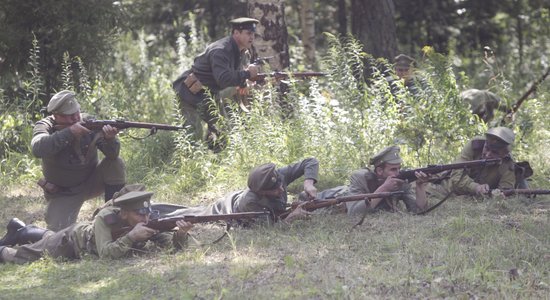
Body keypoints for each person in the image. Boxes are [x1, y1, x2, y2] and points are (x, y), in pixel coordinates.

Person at [0, 187, 193, 264]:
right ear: (124, 213)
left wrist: (181, 235)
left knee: (47, 237)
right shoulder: (105, 218)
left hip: (83, 239)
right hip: (70, 242)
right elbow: (105, 254)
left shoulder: (146, 220)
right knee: (22, 256)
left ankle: (22, 229)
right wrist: (132, 237)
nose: (145, 218)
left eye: (147, 213)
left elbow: (171, 247)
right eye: (139, 213)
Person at [31, 90, 127, 231]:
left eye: (77, 113)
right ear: (56, 115)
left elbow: (112, 155)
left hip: (91, 182)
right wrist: (69, 132)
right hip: (63, 192)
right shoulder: (45, 126)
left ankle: (113, 213)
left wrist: (110, 139)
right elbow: (38, 148)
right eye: (69, 116)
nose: (76, 118)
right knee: (59, 233)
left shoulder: (89, 121)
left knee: (116, 163)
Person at [172, 17, 261, 150]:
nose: (252, 37)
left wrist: (244, 83)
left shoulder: (243, 52)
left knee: (221, 130)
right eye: (248, 33)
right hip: (190, 93)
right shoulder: (221, 50)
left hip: (209, 95)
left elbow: (235, 75)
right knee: (192, 136)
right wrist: (247, 74)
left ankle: (216, 160)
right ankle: (185, 164)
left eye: (253, 34)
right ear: (236, 33)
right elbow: (224, 79)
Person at [154, 158, 320, 223]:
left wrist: (308, 183)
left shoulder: (277, 177)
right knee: (190, 214)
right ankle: (150, 213)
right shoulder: (250, 202)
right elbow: (268, 228)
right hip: (224, 209)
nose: (281, 189)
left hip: (239, 198)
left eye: (281, 185)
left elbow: (310, 161)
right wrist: (291, 217)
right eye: (275, 190)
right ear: (262, 192)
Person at [310, 146, 429, 215]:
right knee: (309, 200)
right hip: (333, 199)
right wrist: (383, 189)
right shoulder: (361, 177)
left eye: (399, 168)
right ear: (379, 171)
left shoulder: (400, 180)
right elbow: (354, 213)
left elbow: (418, 210)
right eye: (393, 169)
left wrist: (420, 186)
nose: (397, 173)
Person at [427, 127, 516, 197]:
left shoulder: (508, 163)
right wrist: (476, 187)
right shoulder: (475, 145)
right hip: (451, 188)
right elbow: (456, 175)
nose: (488, 154)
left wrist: (497, 195)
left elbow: (505, 191)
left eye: (495, 152)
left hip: (475, 199)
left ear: (504, 154)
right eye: (487, 148)